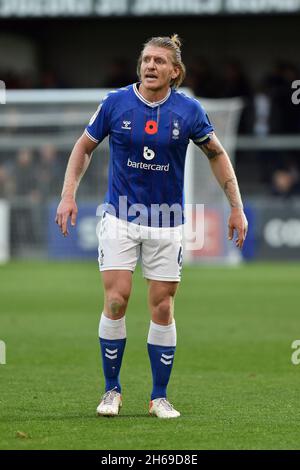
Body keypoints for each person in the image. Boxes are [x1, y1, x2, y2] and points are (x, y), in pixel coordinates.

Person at [55, 35, 248, 419]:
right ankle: (111, 391)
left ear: (175, 71)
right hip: (120, 217)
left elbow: (217, 155)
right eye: (146, 59)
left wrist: (236, 207)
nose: (150, 66)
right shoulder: (115, 103)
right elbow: (83, 147)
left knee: (162, 306)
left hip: (167, 221)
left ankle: (159, 396)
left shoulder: (189, 111)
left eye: (160, 61)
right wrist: (67, 195)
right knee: (116, 299)